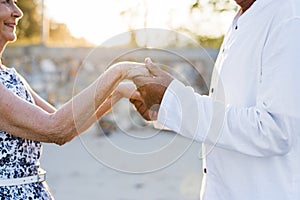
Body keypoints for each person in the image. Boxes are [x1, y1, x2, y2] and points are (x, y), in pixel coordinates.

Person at [130, 0, 300, 199]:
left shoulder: (288, 17)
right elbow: (229, 109)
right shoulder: (244, 16)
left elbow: (275, 129)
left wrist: (173, 100)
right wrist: (164, 107)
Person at [0, 0, 148, 199]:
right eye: (5, 2)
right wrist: (118, 72)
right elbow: (55, 129)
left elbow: (67, 125)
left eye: (15, 2)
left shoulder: (9, 75)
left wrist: (118, 91)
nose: (17, 12)